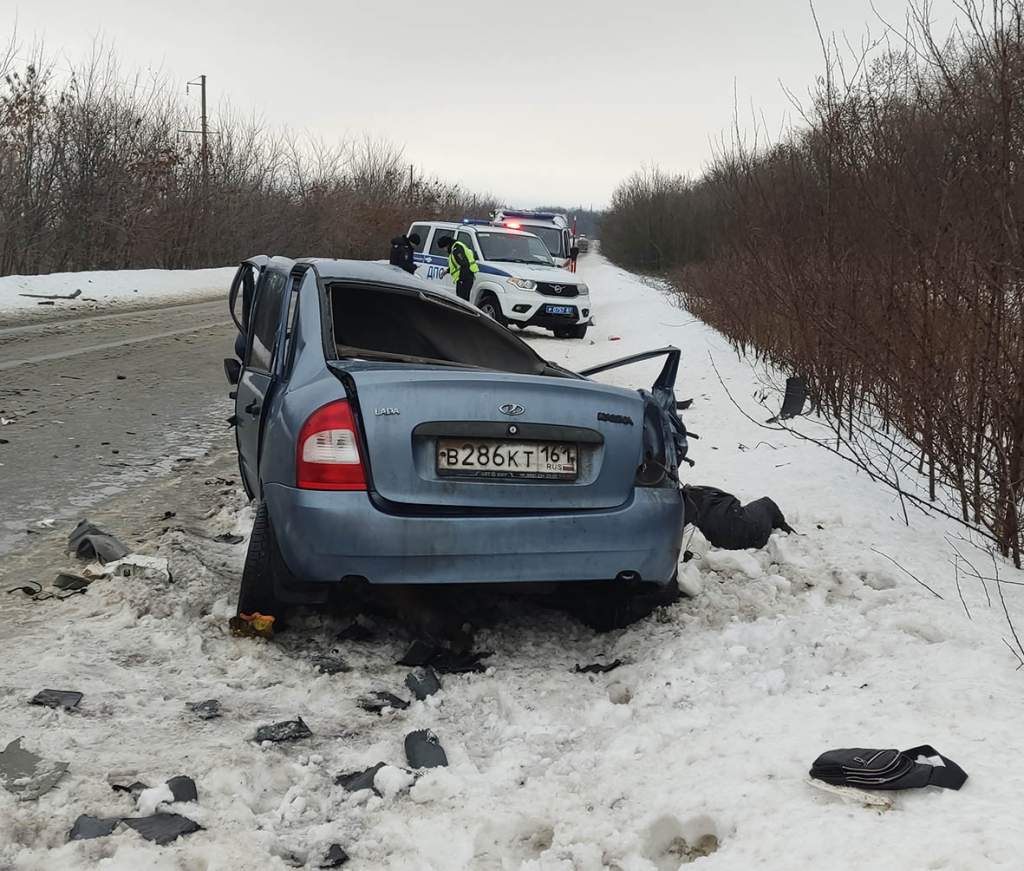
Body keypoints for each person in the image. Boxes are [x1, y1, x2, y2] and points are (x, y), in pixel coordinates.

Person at [438, 236, 479, 301]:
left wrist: (461, 280)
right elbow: (457, 265)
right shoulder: (456, 247)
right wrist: (447, 271)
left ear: (447, 245)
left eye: (444, 248)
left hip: (464, 278)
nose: (444, 250)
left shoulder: (457, 250)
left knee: (462, 301)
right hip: (466, 277)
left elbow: (464, 264)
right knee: (462, 300)